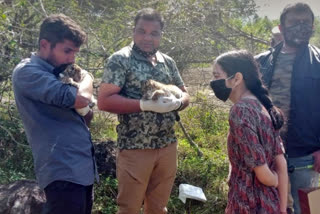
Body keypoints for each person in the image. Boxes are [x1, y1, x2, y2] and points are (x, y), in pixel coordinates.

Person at [97, 8, 190, 214]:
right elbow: (104, 101)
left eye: (154, 33)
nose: (147, 37)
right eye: (142, 31)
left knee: (158, 207)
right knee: (129, 207)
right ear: (133, 31)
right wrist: (144, 105)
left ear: (161, 35)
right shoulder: (120, 59)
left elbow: (186, 95)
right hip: (135, 147)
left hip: (167, 145)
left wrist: (177, 103)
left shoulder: (168, 62)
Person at [12, 14, 98, 214]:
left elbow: (86, 116)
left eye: (75, 53)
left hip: (81, 171)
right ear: (45, 44)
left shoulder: (59, 74)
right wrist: (88, 78)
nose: (72, 58)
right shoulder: (27, 72)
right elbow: (81, 99)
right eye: (67, 51)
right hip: (61, 172)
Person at [255, 3, 320, 214]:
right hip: (267, 152)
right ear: (281, 28)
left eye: (305, 23)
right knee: (269, 206)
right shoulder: (261, 62)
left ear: (313, 27)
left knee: (309, 206)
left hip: (307, 153)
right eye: (294, 22)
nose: (300, 27)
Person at [210, 50, 288, 213]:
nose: (213, 82)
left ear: (237, 78)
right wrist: (281, 208)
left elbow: (263, 173)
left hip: (249, 203)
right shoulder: (264, 107)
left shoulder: (241, 111)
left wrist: (274, 180)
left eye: (217, 76)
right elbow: (281, 163)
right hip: (270, 203)